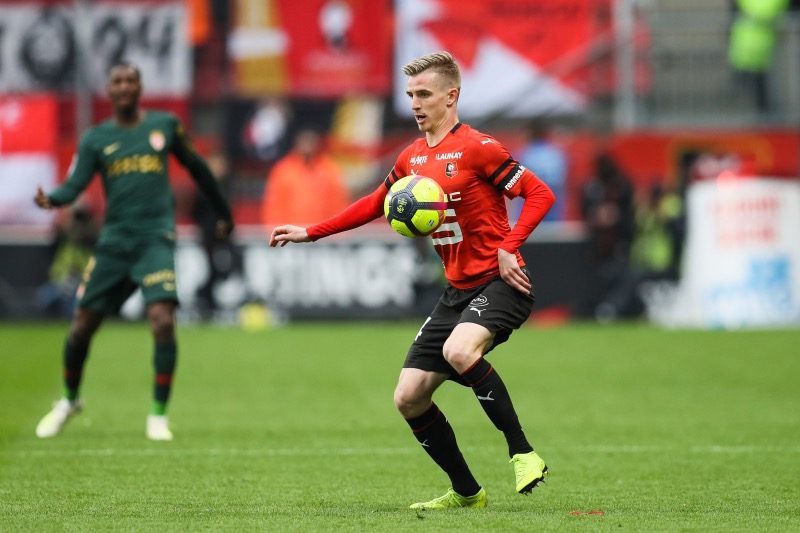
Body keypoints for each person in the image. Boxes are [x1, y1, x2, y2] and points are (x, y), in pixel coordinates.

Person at [270, 51, 555, 509]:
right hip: (456, 292)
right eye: (410, 95)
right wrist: (311, 231)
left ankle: (523, 453)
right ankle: (467, 493)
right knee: (408, 397)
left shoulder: (479, 148)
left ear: (451, 96)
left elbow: (539, 193)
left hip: (502, 282)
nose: (415, 104)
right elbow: (374, 202)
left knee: (459, 350)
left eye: (424, 94)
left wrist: (510, 245)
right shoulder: (412, 157)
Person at [33, 62, 234, 441]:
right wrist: (53, 199)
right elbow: (76, 183)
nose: (124, 87)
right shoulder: (96, 138)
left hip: (154, 239)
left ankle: (158, 415)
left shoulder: (164, 126)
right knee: (82, 326)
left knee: (162, 319)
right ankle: (69, 400)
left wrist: (224, 213)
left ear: (140, 88)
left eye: (131, 81)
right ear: (109, 90)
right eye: (118, 81)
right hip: (113, 243)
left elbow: (198, 168)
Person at [260, 128, 349, 226]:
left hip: (322, 231)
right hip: (291, 232)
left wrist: (338, 230)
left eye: (310, 142)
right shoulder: (283, 170)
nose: (307, 146)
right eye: (304, 141)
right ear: (297, 144)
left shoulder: (329, 169)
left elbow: (338, 203)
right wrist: (276, 230)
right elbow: (273, 206)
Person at [510, 118, 568, 223]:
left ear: (529, 133)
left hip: (528, 212)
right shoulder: (557, 154)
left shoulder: (524, 154)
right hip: (553, 211)